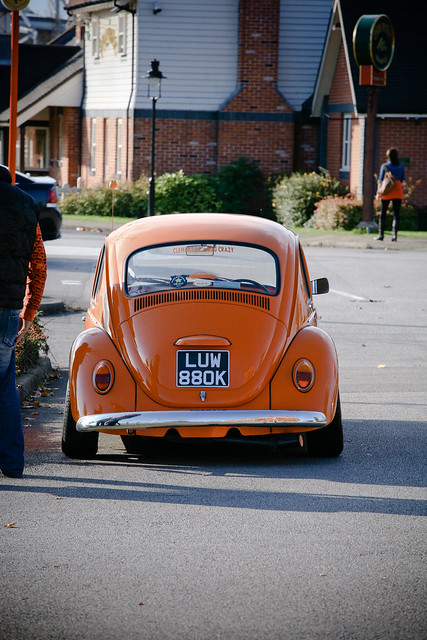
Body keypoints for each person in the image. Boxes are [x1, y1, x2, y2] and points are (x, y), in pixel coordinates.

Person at [0, 164, 47, 478]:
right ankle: (13, 463)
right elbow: (39, 265)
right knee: (4, 387)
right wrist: (28, 315)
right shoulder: (26, 205)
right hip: (6, 311)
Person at [376, 148, 405, 242]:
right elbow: (402, 179)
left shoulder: (385, 166)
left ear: (388, 156)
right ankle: (394, 235)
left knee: (383, 213)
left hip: (387, 190)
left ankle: (381, 235)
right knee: (396, 214)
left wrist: (378, 192)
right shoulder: (401, 167)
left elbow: (380, 180)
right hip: (397, 190)